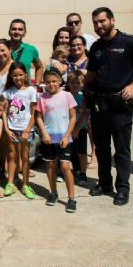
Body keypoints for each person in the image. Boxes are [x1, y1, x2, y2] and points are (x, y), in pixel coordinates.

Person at [86, 7, 133, 206]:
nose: (98, 26)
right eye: (95, 22)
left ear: (112, 20)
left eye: (102, 21)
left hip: (121, 104)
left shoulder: (129, 42)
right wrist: (84, 95)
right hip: (99, 104)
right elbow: (91, 75)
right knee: (101, 148)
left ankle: (123, 188)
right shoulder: (96, 47)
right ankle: (104, 184)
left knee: (121, 149)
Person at [35, 68, 78, 213]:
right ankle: (53, 192)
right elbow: (39, 117)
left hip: (64, 138)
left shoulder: (67, 96)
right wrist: (44, 134)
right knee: (50, 166)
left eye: (54, 81)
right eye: (48, 82)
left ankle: (71, 198)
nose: (51, 84)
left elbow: (73, 117)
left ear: (60, 80)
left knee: (65, 167)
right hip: (48, 138)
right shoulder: (42, 98)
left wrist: (67, 136)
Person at [2, 62, 37, 199]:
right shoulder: (8, 92)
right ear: (11, 76)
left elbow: (34, 113)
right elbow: (4, 112)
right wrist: (6, 128)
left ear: (26, 75)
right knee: (12, 156)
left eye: (20, 74)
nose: (18, 78)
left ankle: (25, 184)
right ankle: (10, 183)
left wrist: (28, 130)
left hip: (26, 130)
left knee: (25, 157)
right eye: (15, 75)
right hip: (12, 129)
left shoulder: (31, 91)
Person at [67, 71, 89, 186]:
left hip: (81, 129)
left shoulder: (83, 98)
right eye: (72, 83)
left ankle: (83, 173)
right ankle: (70, 170)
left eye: (78, 83)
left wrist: (77, 130)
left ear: (82, 84)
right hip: (67, 129)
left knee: (82, 152)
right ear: (68, 83)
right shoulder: (65, 96)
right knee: (69, 151)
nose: (75, 85)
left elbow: (84, 115)